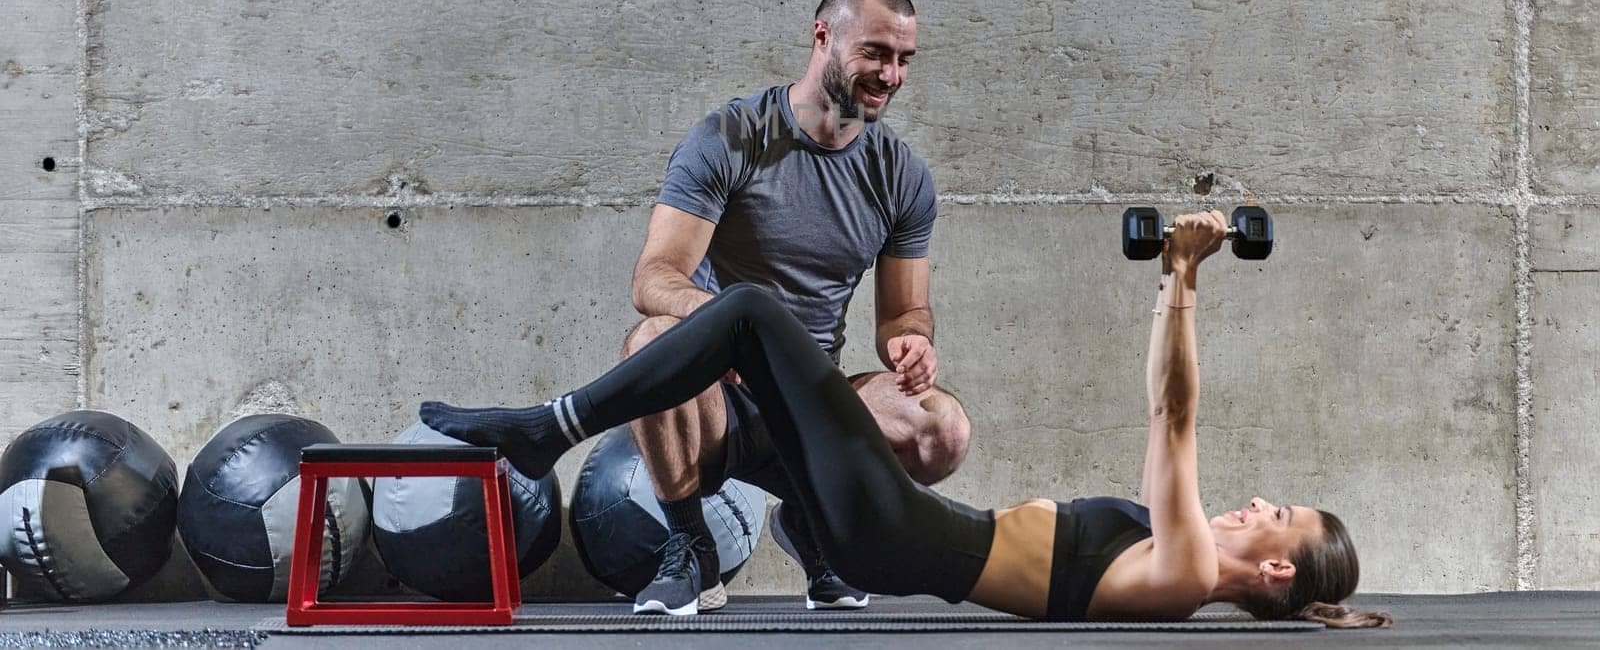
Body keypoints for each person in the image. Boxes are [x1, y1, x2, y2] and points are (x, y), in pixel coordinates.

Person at [423, 211, 1392, 627]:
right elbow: (1162, 435)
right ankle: (578, 435)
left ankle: (548, 427)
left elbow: (1171, 413)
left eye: (1281, 512)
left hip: (899, 532)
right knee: (748, 357)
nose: (1259, 499)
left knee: (754, 310)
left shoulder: (1181, 571)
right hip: (892, 534)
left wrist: (1182, 277)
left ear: (1273, 568)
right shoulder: (1163, 553)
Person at [618, 0, 968, 612]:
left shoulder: (902, 175)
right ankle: (691, 546)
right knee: (650, 341)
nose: (890, 76)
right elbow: (654, 278)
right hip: (716, 396)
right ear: (823, 37)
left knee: (941, 430)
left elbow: (901, 313)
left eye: (903, 59)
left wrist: (913, 341)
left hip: (810, 401)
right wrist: (726, 328)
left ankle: (810, 525)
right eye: (875, 53)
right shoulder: (732, 137)